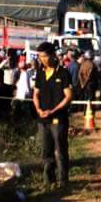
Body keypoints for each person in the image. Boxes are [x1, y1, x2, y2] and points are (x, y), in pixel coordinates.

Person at [32, 42, 73, 189]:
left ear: (53, 55)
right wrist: (38, 108)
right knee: (46, 150)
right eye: (40, 56)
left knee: (60, 149)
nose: (42, 59)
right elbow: (35, 94)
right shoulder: (40, 73)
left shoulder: (63, 73)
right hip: (42, 119)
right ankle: (49, 180)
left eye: (45, 56)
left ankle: (63, 180)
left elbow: (68, 96)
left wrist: (53, 110)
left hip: (58, 118)